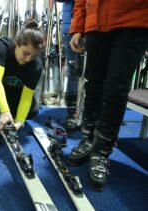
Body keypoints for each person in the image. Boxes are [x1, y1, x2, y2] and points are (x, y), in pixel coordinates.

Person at [68, 0, 148, 191]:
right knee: (93, 84)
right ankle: (89, 138)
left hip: (133, 20)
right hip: (95, 21)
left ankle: (102, 149)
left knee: (115, 89)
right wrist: (78, 25)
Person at [0, 20, 45, 144]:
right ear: (17, 43)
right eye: (26, 53)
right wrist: (5, 111)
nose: (28, 59)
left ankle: (6, 113)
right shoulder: (2, 46)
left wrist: (20, 121)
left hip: (15, 92)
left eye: (33, 56)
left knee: (33, 111)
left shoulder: (36, 64)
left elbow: (27, 96)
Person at [56, 0, 80, 131]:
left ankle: (90, 114)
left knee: (95, 73)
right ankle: (72, 113)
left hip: (98, 26)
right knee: (73, 70)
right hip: (71, 27)